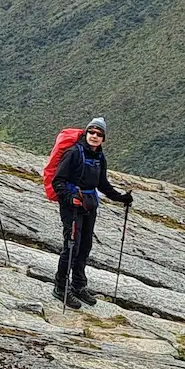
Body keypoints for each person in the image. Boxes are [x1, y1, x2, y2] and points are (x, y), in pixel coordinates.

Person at [49, 118, 132, 310]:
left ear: (103, 139)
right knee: (71, 246)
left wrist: (120, 197)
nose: (94, 136)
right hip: (72, 205)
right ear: (86, 134)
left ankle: (78, 285)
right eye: (92, 132)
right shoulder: (73, 153)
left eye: (99, 134)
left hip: (89, 204)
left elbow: (101, 183)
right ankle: (61, 287)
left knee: (85, 246)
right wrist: (70, 199)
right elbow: (58, 181)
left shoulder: (99, 157)